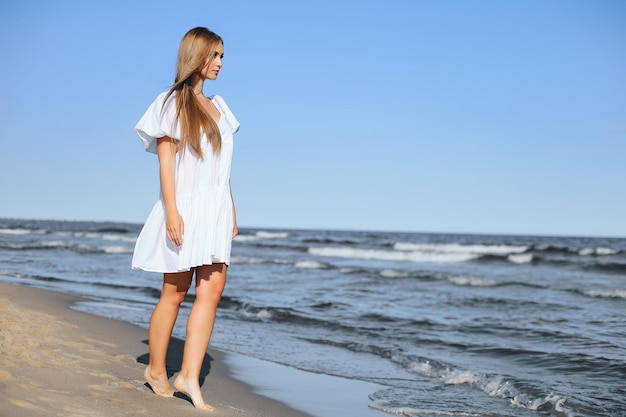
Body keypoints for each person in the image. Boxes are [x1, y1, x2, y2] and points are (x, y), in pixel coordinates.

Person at [131, 27, 240, 412]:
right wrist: (172, 211)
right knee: (175, 293)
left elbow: (221, 168)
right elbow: (166, 164)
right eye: (214, 56)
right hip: (184, 207)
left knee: (212, 291)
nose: (220, 64)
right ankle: (156, 371)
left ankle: (189, 376)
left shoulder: (221, 107)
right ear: (196, 57)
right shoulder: (170, 103)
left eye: (223, 56)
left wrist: (231, 205)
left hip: (216, 209)